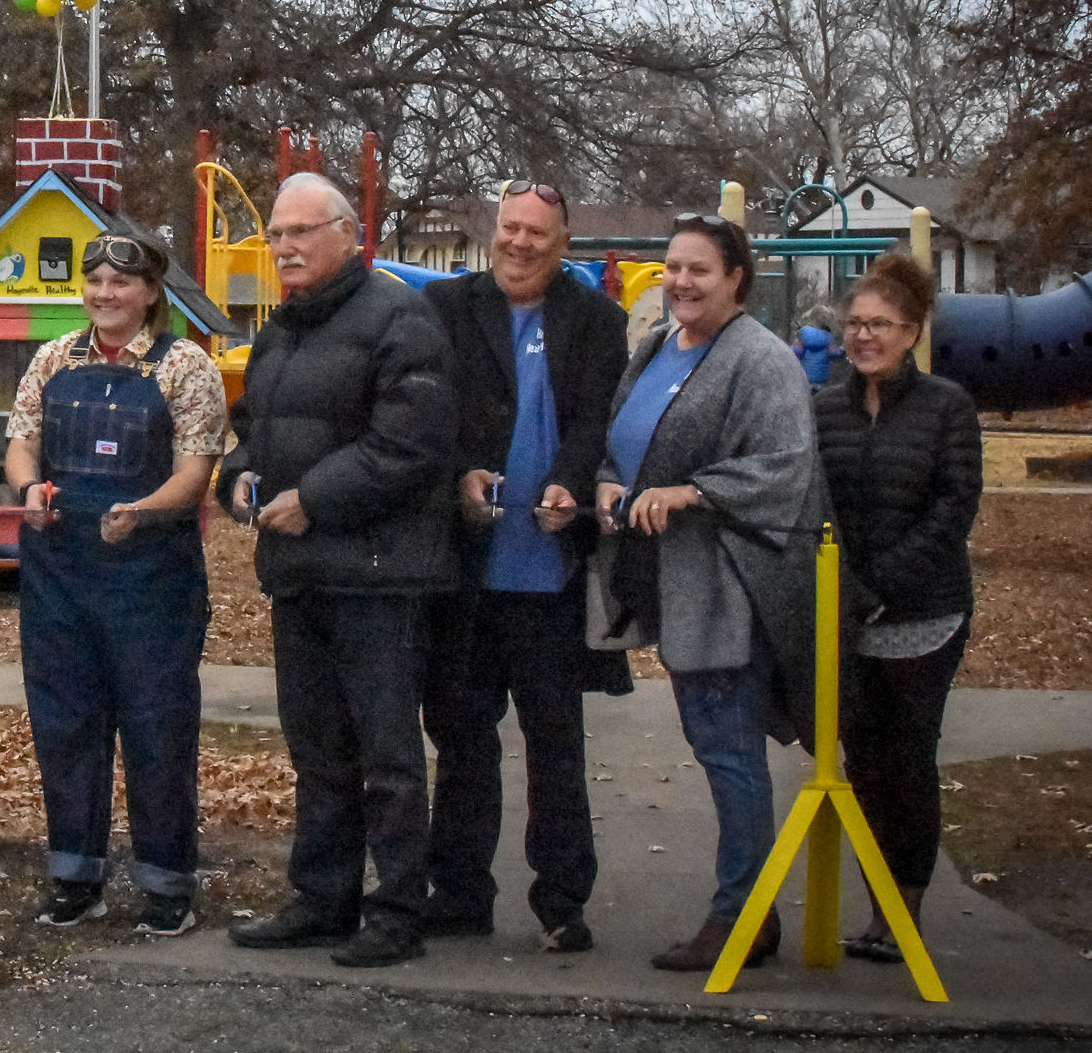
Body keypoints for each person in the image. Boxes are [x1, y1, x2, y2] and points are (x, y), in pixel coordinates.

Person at [214, 174, 458, 968]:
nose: (282, 247)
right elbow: (253, 429)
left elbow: (411, 446)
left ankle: (396, 910)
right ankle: (323, 897)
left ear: (348, 234)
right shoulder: (281, 328)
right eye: (276, 233)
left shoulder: (400, 318)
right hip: (298, 572)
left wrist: (312, 499)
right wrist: (239, 476)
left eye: (299, 232)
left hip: (379, 577)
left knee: (387, 754)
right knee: (316, 749)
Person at [593, 212, 821, 973]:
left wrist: (689, 492)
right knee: (715, 741)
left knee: (729, 747)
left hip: (733, 587)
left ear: (736, 279)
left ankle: (744, 916)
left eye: (699, 269)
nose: (682, 282)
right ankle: (746, 909)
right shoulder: (659, 344)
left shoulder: (760, 359)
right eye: (673, 269)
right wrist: (606, 485)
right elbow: (621, 439)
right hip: (673, 582)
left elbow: (786, 465)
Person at [0, 230, 228, 937]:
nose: (106, 294)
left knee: (158, 730)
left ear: (151, 291)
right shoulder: (51, 358)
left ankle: (167, 883)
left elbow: (196, 470)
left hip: (151, 582)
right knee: (66, 727)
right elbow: (20, 441)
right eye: (95, 281)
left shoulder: (186, 367)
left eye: (121, 283)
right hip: (59, 576)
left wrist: (144, 510)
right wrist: (28, 487)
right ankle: (75, 876)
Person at [421, 181, 628, 953]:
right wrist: (459, 475)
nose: (520, 242)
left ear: (563, 241)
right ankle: (461, 890)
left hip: (550, 574)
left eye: (537, 232)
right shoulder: (444, 308)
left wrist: (568, 483)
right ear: (491, 233)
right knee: (463, 738)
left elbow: (596, 419)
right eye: (509, 228)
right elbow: (425, 412)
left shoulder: (597, 320)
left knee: (555, 740)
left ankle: (563, 899)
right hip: (466, 570)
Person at [814, 254, 982, 963]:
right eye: (854, 323)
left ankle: (902, 905)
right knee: (865, 765)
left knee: (909, 761)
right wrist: (844, 586)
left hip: (924, 616)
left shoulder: (947, 406)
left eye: (880, 324)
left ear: (910, 332)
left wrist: (882, 581)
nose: (864, 336)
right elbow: (814, 498)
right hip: (847, 617)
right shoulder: (823, 406)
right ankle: (878, 896)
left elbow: (955, 507)